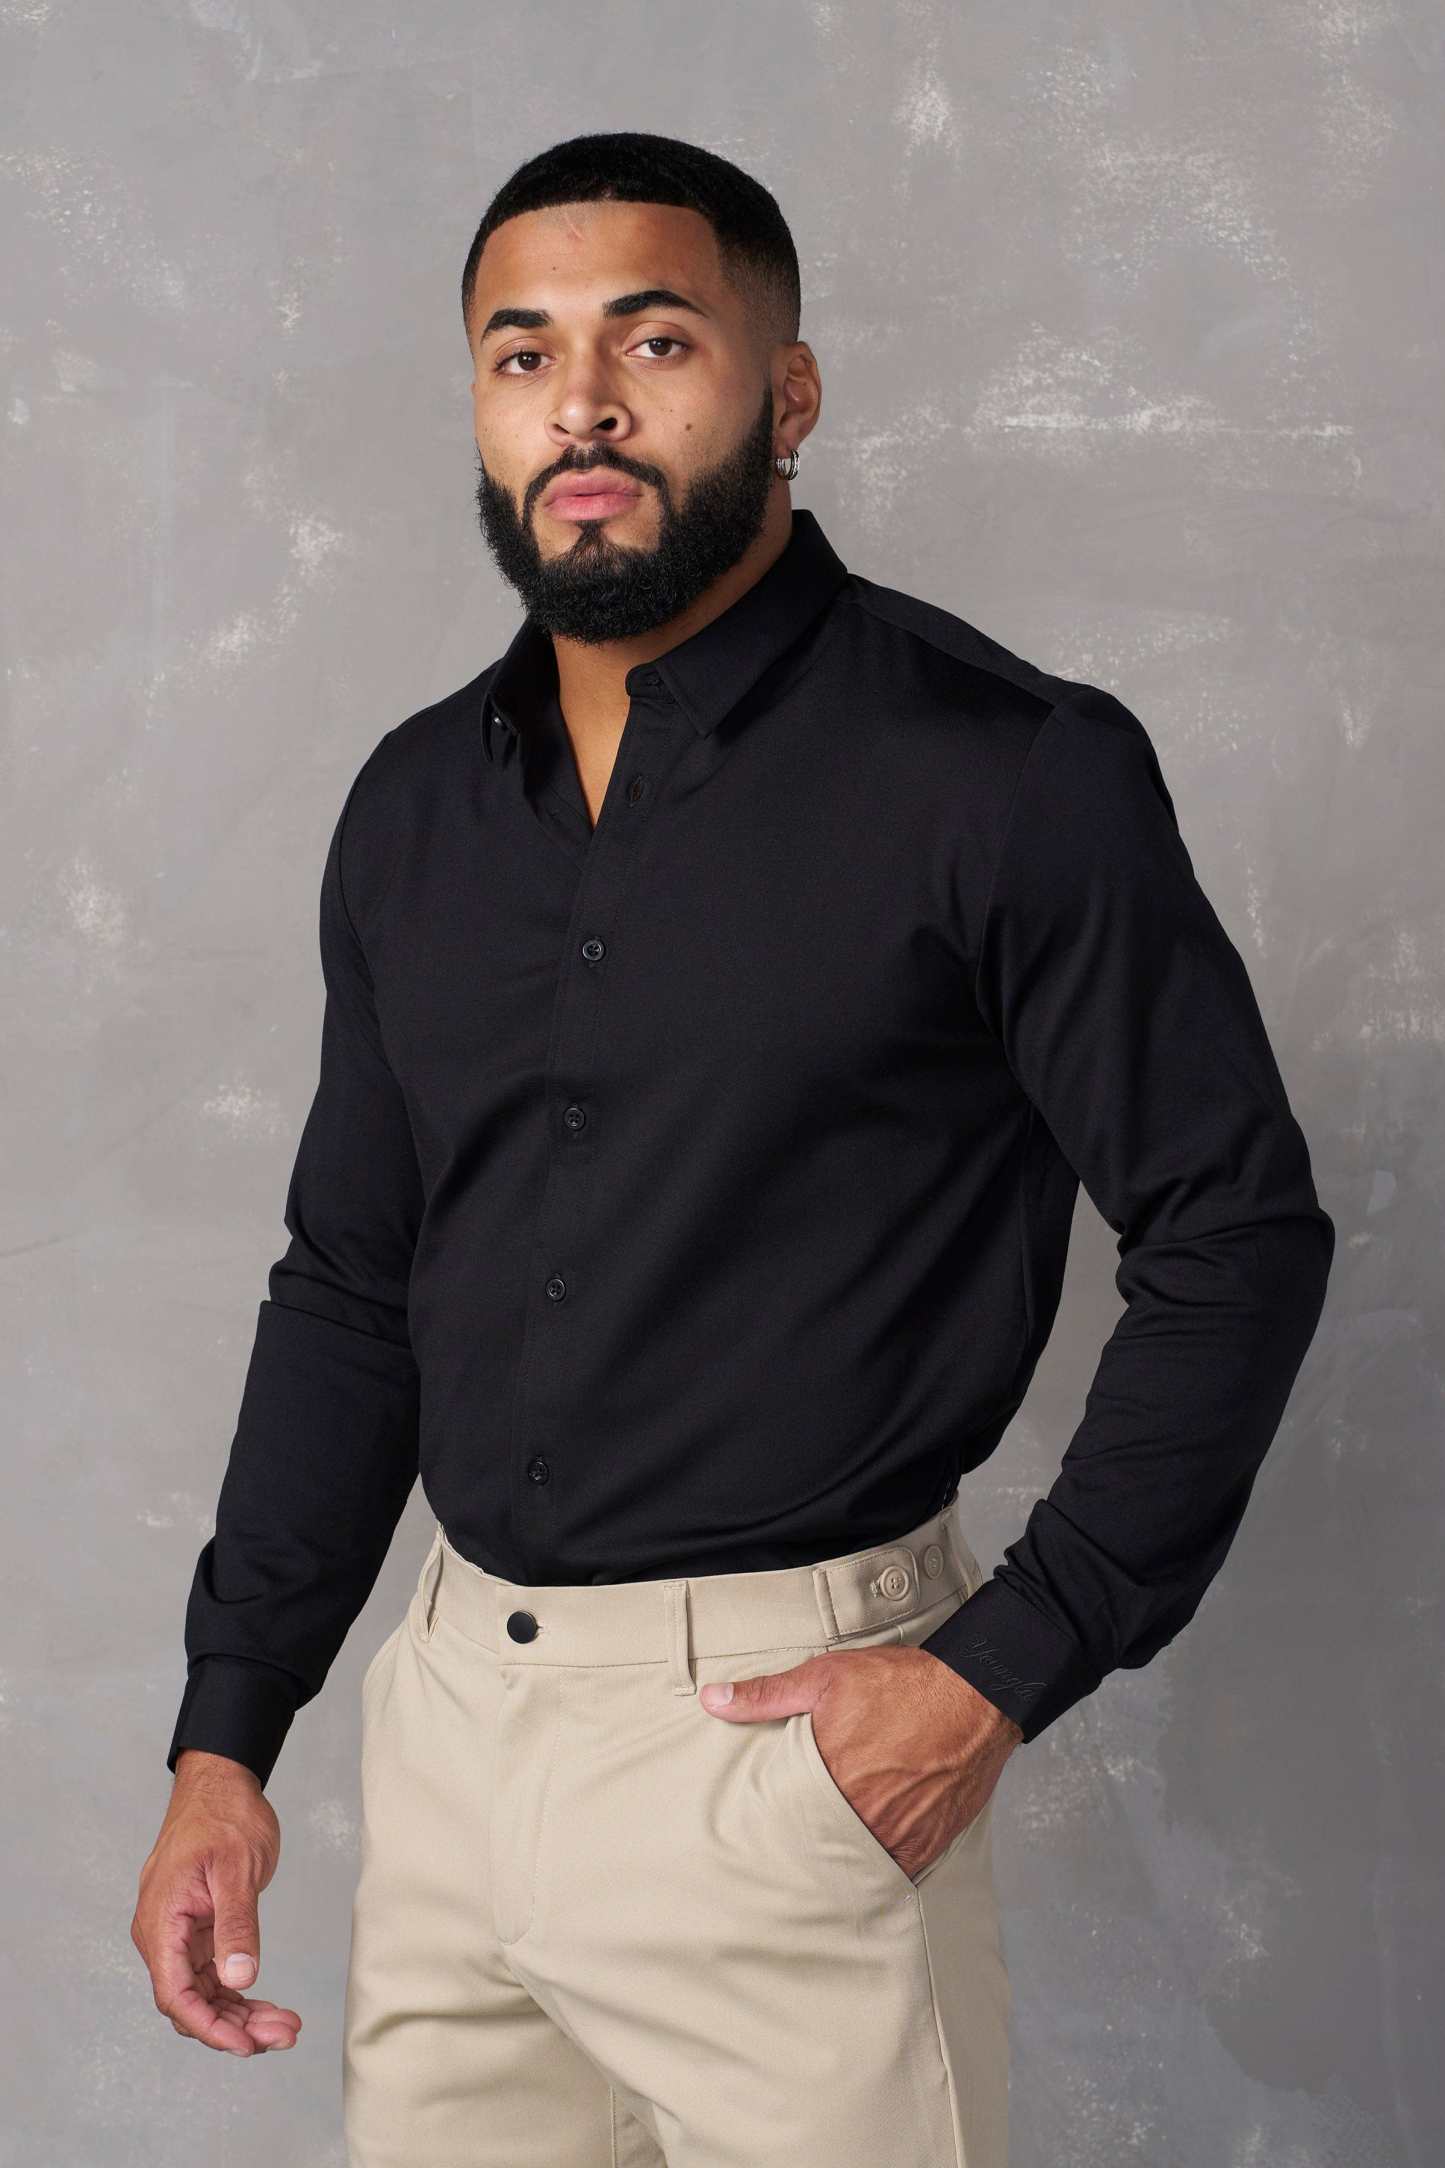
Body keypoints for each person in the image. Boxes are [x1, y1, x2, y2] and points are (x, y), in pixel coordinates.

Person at [131, 130, 1335, 2166]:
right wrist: (226, 1734)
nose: (582, 405)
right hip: (450, 1749)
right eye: (523, 355)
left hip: (791, 1751)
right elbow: (349, 1285)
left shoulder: (1005, 775)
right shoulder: (414, 809)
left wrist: (997, 1670)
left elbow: (1238, 1232)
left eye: (655, 341)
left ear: (787, 392)